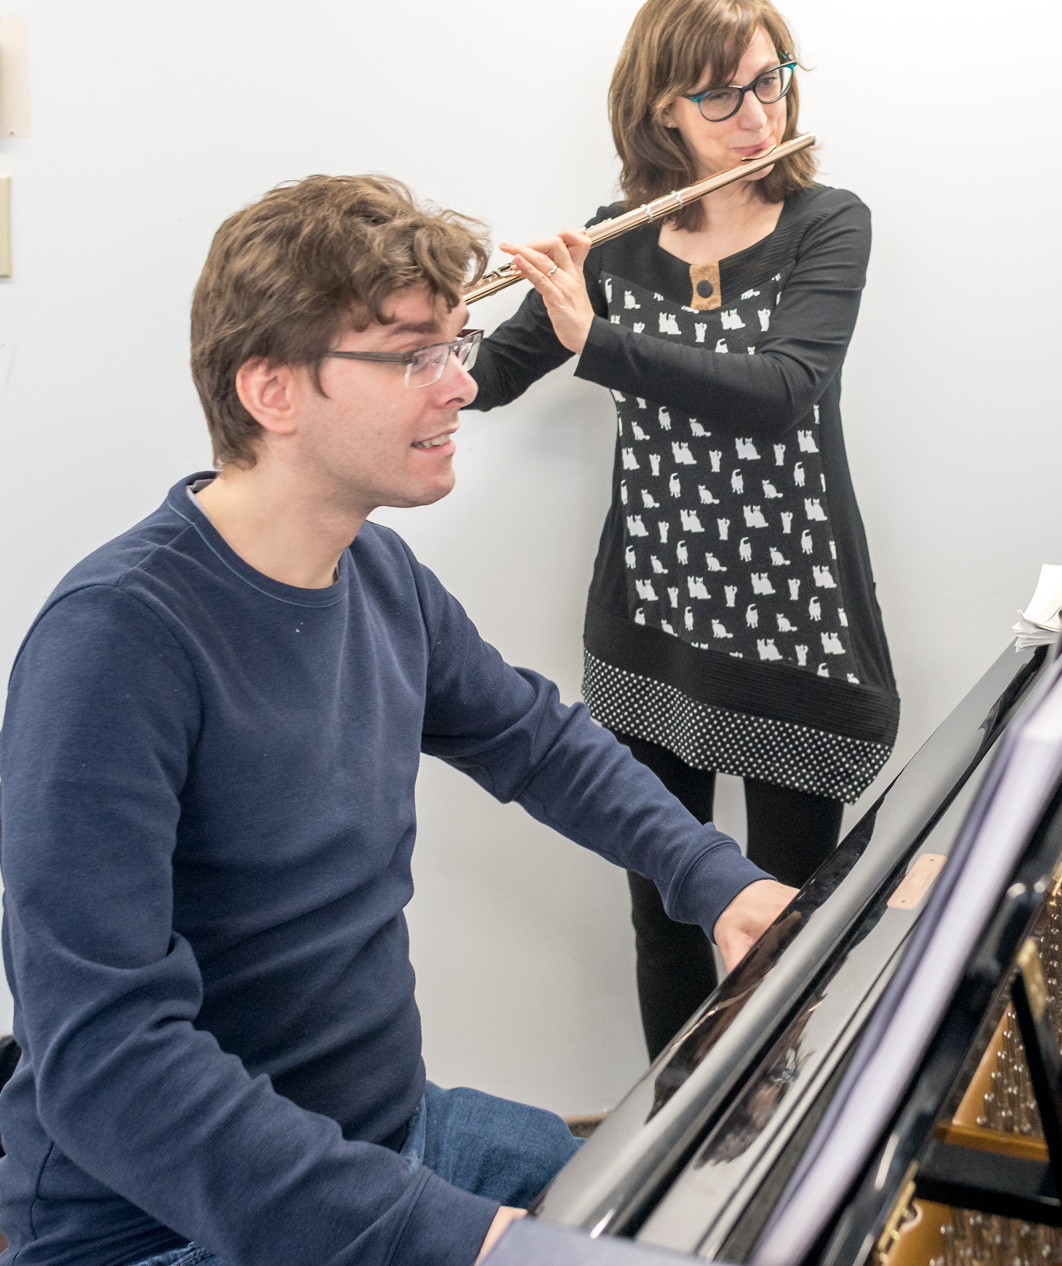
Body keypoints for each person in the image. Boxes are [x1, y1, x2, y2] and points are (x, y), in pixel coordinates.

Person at [0, 174, 797, 1266]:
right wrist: (456, 1239)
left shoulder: (376, 573)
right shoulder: (114, 644)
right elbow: (110, 1063)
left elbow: (538, 740)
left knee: (701, 1218)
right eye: (415, 354)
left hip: (385, 1133)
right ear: (272, 390)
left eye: (457, 345)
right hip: (164, 1221)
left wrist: (721, 880)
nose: (460, 385)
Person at [467, 0, 899, 1059]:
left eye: (772, 80)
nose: (757, 113)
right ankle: (672, 1164)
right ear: (662, 109)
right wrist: (422, 317)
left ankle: (777, 1171)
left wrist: (598, 339)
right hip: (652, 628)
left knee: (785, 937)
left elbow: (781, 390)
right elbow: (486, 380)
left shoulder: (827, 222)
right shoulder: (612, 244)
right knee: (666, 920)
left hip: (790, 634)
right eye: (722, 94)